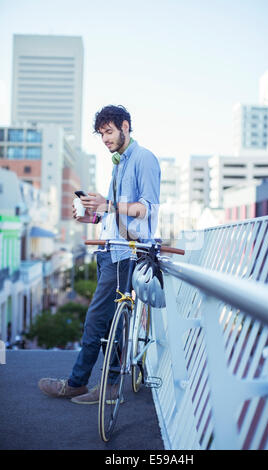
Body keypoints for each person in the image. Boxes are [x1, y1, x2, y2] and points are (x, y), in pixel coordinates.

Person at [38, 105, 161, 404]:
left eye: (109, 131)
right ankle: (112, 385)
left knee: (95, 321)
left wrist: (107, 204)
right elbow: (115, 215)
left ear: (125, 126)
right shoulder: (119, 163)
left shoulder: (143, 158)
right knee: (108, 325)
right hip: (109, 251)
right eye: (101, 134)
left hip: (125, 255)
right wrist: (91, 218)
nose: (105, 138)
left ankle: (77, 383)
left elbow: (145, 208)